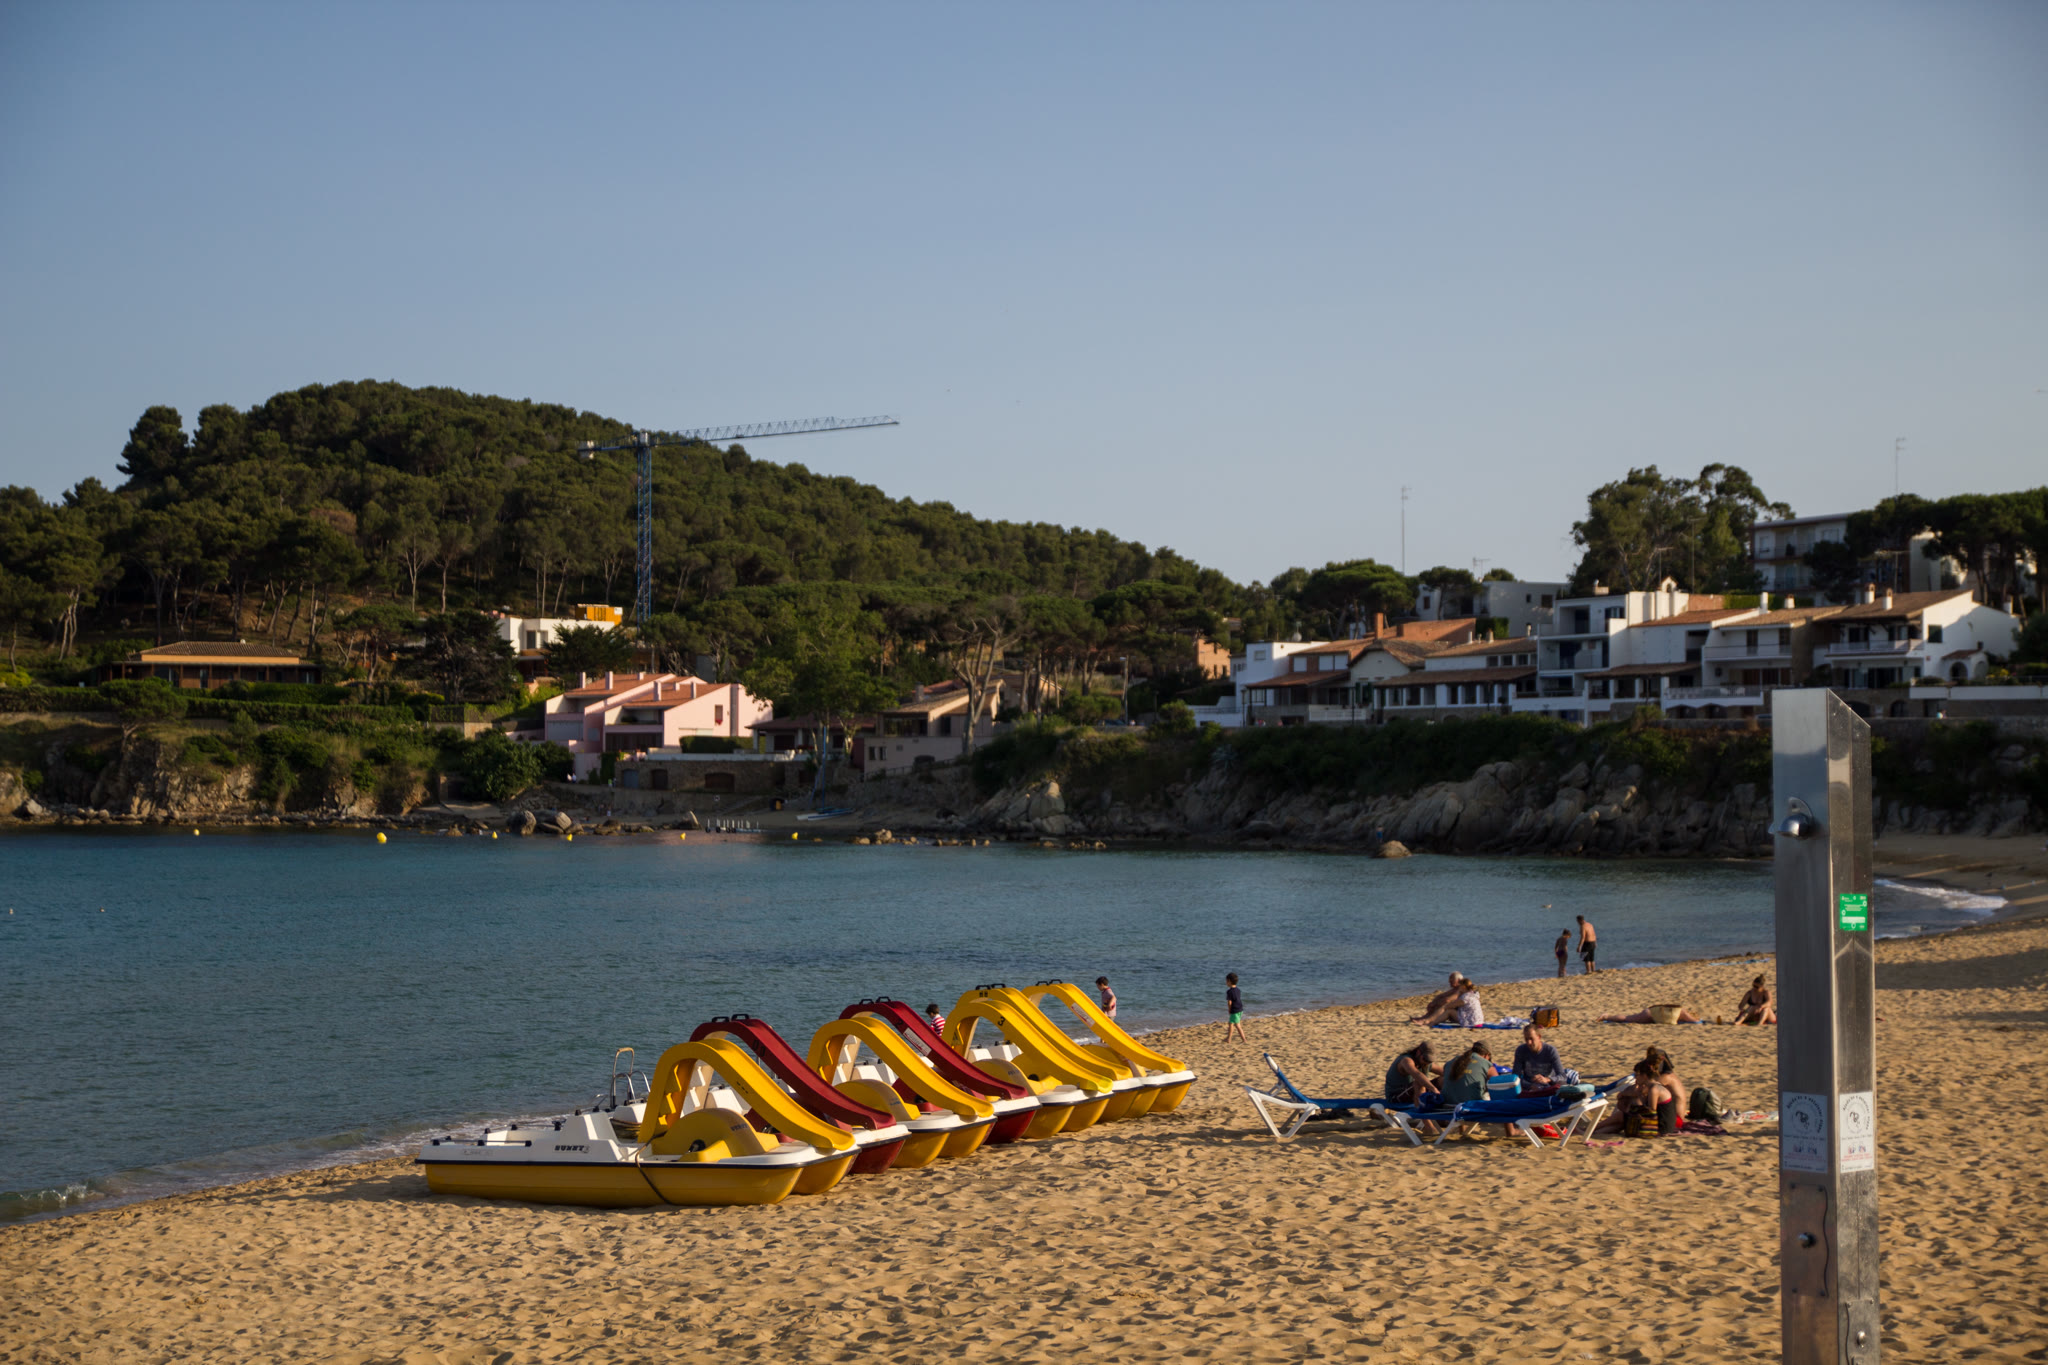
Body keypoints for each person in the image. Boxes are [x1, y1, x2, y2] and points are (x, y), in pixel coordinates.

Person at [1384, 1041, 1442, 1108]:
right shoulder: (1406, 1061)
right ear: (1418, 1052)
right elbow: (1417, 1074)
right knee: (1420, 1083)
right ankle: (1421, 1112)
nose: (1427, 1062)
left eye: (1429, 1061)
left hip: (1412, 1092)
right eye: (1425, 1059)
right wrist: (1433, 1088)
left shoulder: (1426, 1063)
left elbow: (1445, 1072)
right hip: (1395, 1096)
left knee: (1443, 1079)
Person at [1512, 1024, 1565, 1090]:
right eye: (1526, 1039)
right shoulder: (1521, 1051)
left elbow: (1562, 1076)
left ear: (1539, 1037)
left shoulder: (1550, 1051)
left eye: (1531, 1039)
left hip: (1549, 1085)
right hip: (1529, 1087)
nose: (1529, 1042)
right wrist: (1530, 1086)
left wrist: (1547, 1079)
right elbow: (1515, 1077)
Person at [1599, 1004, 1702, 1024]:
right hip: (1650, 1014)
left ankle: (1608, 1016)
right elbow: (1696, 1022)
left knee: (1629, 1018)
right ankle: (1607, 1016)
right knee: (1627, 1019)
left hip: (1652, 1013)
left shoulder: (1678, 1011)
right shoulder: (1683, 1012)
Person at [1223, 972, 1246, 1042]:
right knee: (1237, 1025)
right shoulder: (1238, 990)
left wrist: (1229, 1009)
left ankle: (1229, 1039)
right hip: (1240, 1009)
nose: (1226, 982)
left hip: (1235, 1010)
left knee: (1232, 1024)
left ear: (1229, 981)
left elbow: (1229, 1002)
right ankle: (1243, 1039)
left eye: (1226, 981)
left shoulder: (1229, 991)